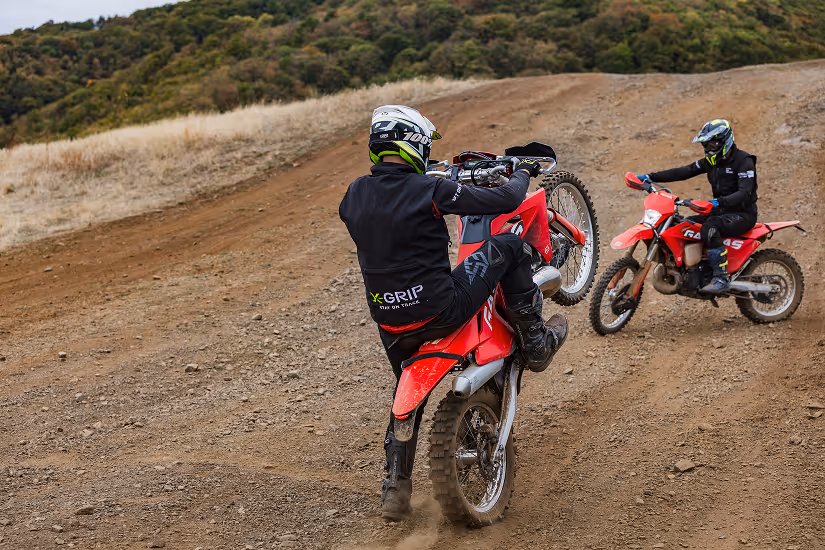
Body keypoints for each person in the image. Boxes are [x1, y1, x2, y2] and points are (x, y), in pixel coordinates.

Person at [339, 105, 568, 520]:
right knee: (509, 245)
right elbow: (506, 199)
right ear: (413, 144)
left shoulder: (353, 195)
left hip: (391, 321)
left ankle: (395, 488)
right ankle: (534, 340)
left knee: (407, 396)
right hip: (442, 309)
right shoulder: (430, 191)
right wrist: (518, 169)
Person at [636, 119, 758, 293]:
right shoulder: (711, 161)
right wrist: (650, 177)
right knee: (684, 225)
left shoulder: (744, 161)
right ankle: (693, 270)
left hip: (743, 214)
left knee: (709, 228)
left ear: (725, 140)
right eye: (706, 144)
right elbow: (685, 171)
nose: (709, 148)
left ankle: (721, 277)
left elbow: (745, 192)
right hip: (720, 211)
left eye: (713, 143)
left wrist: (717, 202)